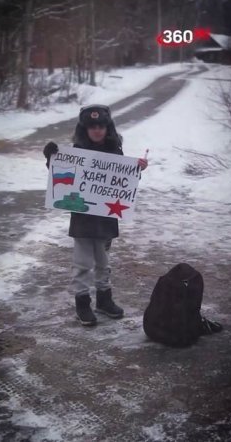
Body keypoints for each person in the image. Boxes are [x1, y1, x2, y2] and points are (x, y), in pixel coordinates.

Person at [43, 104, 148, 326]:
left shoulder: (115, 152)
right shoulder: (76, 152)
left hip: (105, 218)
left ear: (107, 128)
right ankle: (82, 303)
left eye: (101, 126)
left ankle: (104, 300)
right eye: (92, 126)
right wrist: (51, 158)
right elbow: (61, 176)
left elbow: (124, 183)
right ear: (85, 129)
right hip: (82, 218)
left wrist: (137, 169)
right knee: (82, 263)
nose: (97, 130)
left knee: (103, 261)